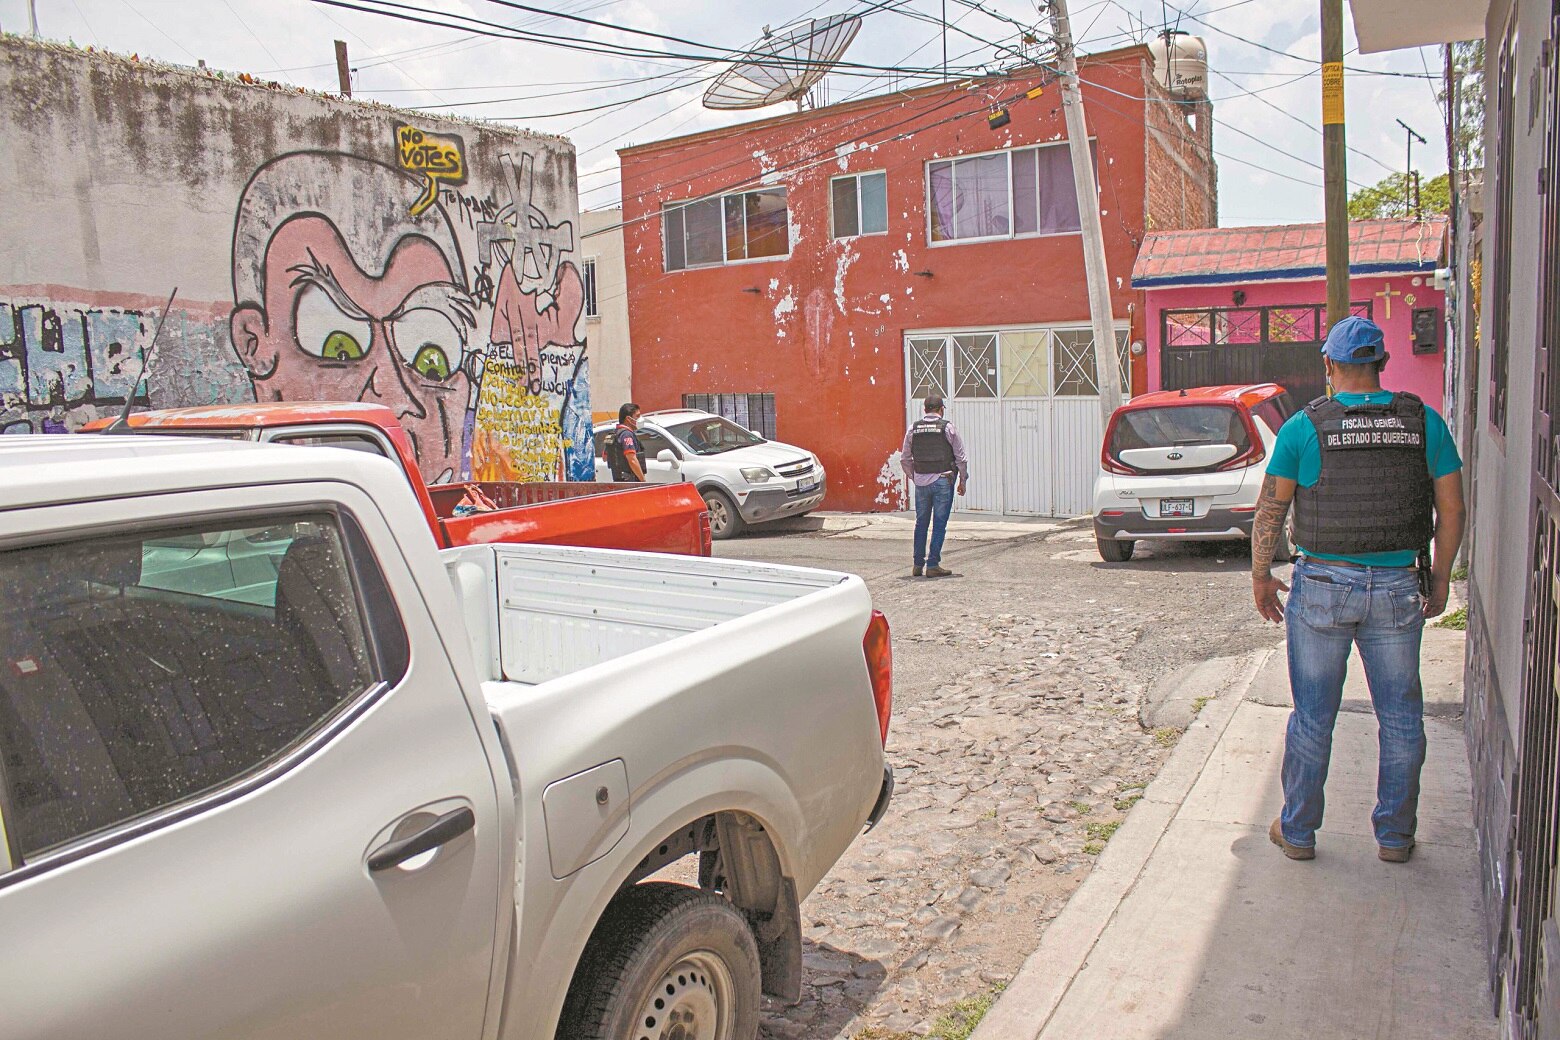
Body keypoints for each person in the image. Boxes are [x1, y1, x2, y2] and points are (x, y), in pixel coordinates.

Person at [1250, 315, 1465, 864]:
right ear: (1383, 364)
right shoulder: (1424, 422)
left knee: (1313, 716)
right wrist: (1439, 580)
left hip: (1322, 585)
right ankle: (1394, 836)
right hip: (1396, 588)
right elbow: (1452, 509)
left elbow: (1271, 509)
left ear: (1329, 365)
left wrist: (1260, 576)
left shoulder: (1304, 427)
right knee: (1399, 717)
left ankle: (1297, 831)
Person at [901, 394, 969, 577]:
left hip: (921, 482)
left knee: (920, 523)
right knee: (939, 524)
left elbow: (905, 459)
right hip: (943, 481)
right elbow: (961, 458)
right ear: (941, 409)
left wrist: (915, 477)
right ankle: (932, 565)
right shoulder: (948, 428)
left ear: (924, 410)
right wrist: (962, 480)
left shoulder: (913, 429)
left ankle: (917, 564)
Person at [604, 402, 646, 482]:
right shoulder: (626, 434)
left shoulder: (614, 434)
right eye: (637, 416)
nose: (640, 419)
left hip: (619, 480)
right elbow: (632, 459)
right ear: (628, 419)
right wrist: (643, 480)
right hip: (631, 480)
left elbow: (605, 457)